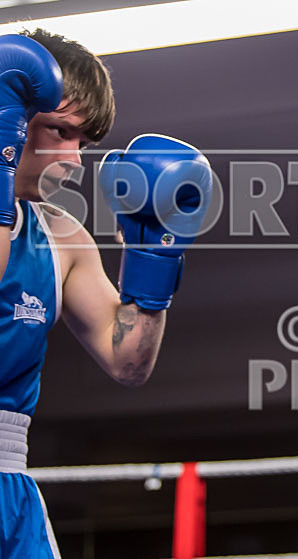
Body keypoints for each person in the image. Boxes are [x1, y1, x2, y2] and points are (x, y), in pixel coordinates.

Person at [0, 29, 212, 557]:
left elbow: (129, 362)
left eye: (83, 142)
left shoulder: (61, 237)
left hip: (8, 486)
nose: (74, 160)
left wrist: (154, 252)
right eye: (59, 131)